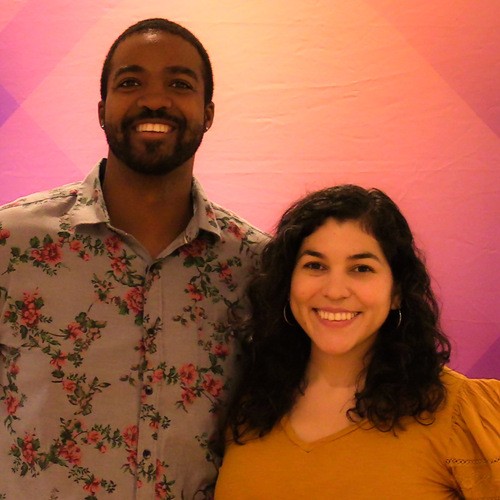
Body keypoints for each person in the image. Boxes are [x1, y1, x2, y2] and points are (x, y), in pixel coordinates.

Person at [0, 18, 267, 499]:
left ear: (208, 113)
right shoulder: (11, 244)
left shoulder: (256, 265)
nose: (155, 100)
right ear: (102, 110)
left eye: (179, 84)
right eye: (130, 82)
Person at [215, 185, 500, 499]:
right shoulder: (246, 402)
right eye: (315, 265)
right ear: (288, 283)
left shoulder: (460, 413)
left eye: (361, 268)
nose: (335, 290)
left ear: (396, 292)